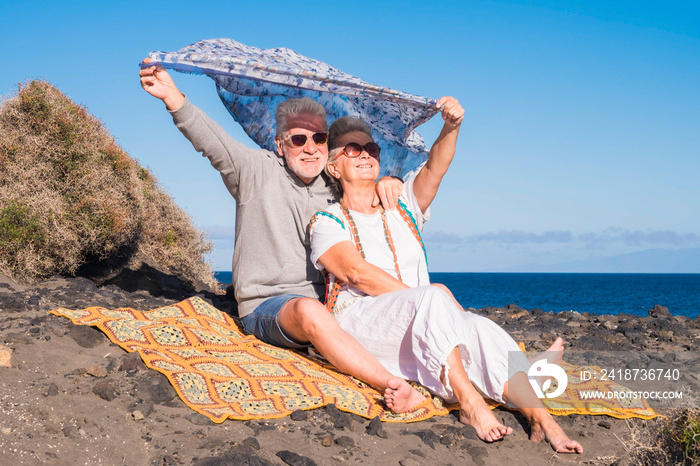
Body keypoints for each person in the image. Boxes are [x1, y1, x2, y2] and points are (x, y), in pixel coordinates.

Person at [138, 59, 427, 412]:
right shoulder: (255, 170)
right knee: (310, 311)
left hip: (333, 303)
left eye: (319, 138)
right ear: (279, 144)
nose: (310, 147)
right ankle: (393, 385)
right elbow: (211, 142)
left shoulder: (334, 184)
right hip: (269, 305)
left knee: (395, 319)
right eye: (299, 139)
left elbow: (370, 182)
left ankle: (480, 380)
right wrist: (172, 97)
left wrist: (388, 181)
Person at [308, 99, 583, 453]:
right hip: (361, 323)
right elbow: (354, 272)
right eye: (352, 149)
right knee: (436, 299)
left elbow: (436, 167)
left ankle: (543, 421)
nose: (365, 154)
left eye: (371, 148)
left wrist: (451, 126)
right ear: (332, 167)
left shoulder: (403, 203)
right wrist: (428, 298)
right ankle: (471, 404)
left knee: (481, 329)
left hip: (423, 315)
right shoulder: (326, 221)